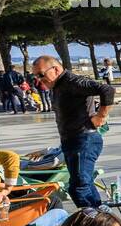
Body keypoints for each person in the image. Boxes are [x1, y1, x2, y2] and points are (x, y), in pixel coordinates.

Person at [29, 55, 114, 209]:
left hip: (84, 140)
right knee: (83, 183)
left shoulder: (72, 82)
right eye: (35, 76)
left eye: (41, 74)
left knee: (78, 187)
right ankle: (100, 219)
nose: (38, 79)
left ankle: (95, 222)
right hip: (73, 142)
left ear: (55, 69)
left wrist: (101, 116)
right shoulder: (59, 85)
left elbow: (107, 90)